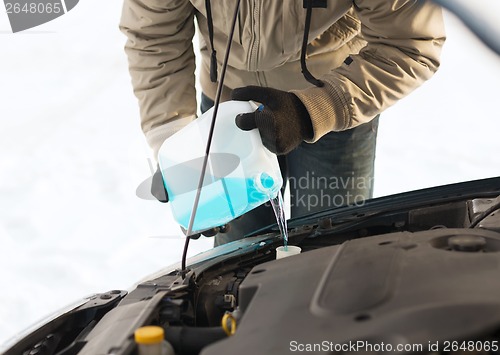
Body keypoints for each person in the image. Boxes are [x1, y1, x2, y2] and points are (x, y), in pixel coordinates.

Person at [120, 0, 445, 245]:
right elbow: (153, 36)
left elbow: (410, 44)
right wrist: (175, 141)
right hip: (226, 115)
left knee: (330, 253)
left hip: (335, 108)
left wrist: (313, 110)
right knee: (238, 260)